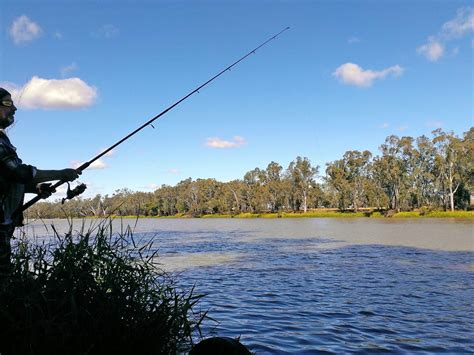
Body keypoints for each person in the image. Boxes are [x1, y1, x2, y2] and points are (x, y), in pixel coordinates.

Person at [0, 87, 80, 274]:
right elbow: (19, 172)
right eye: (7, 103)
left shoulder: (4, 140)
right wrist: (61, 173)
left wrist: (36, 188)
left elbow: (8, 178)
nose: (14, 109)